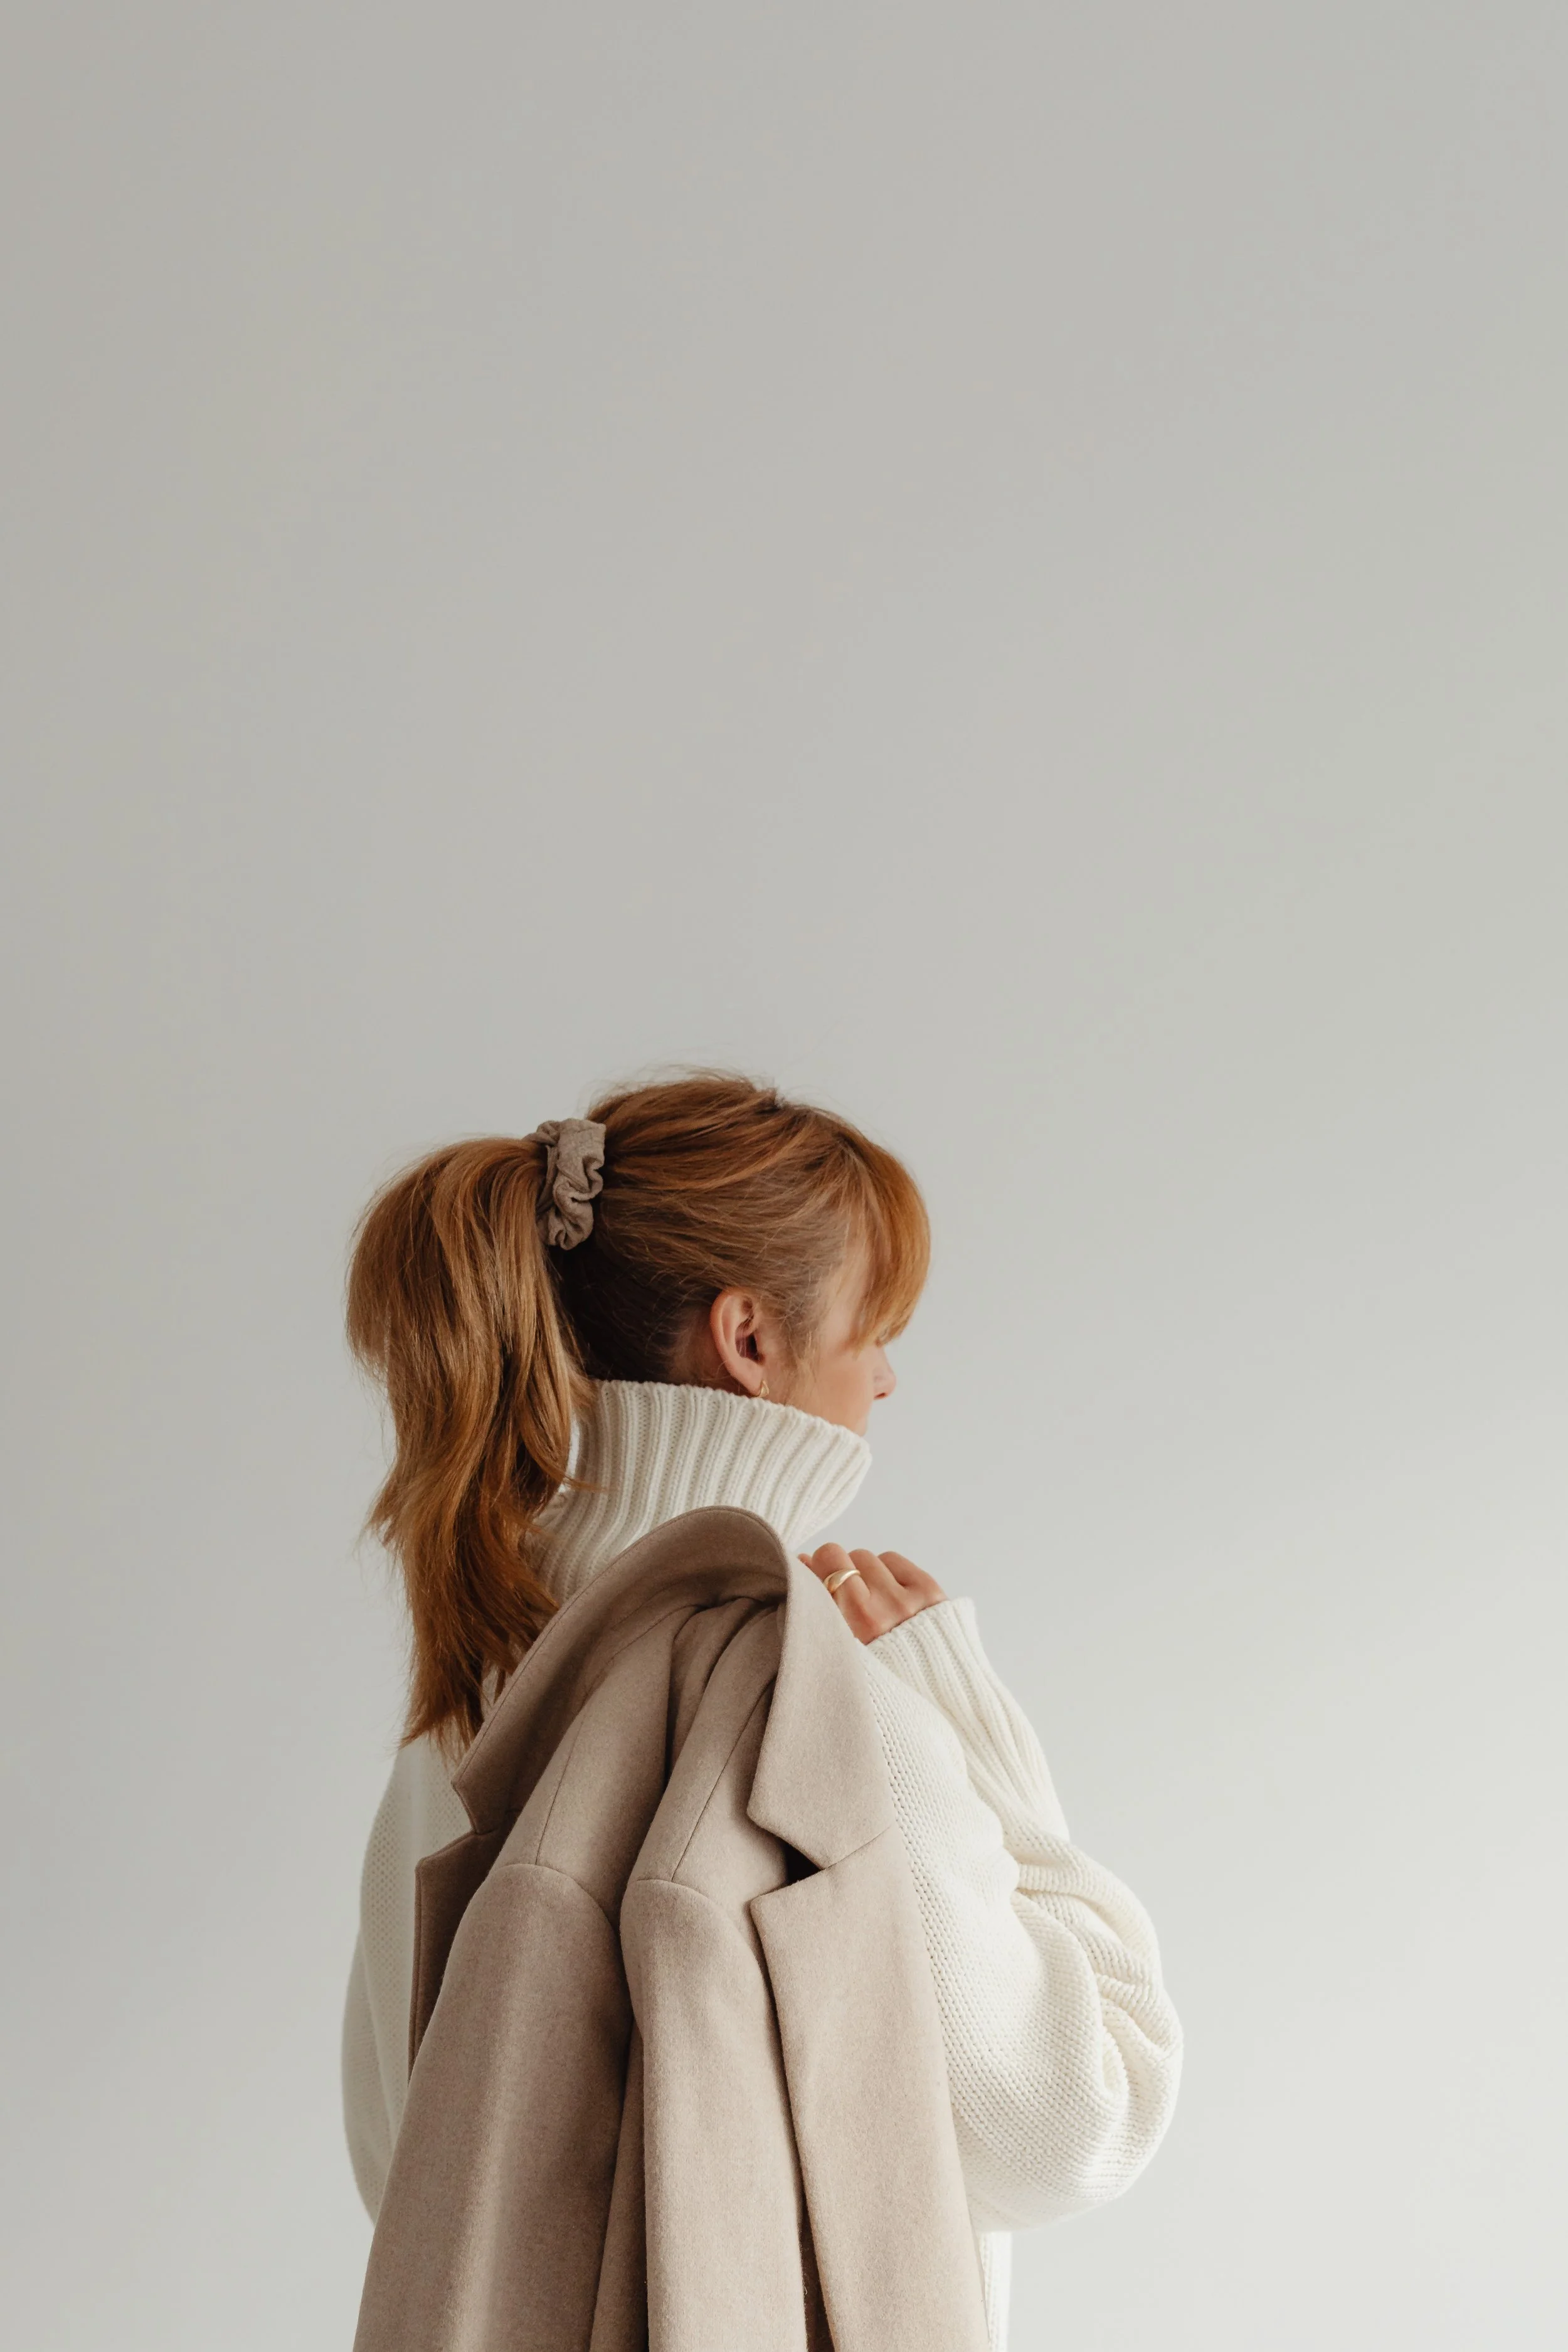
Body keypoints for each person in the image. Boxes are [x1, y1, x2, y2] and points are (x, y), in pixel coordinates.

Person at [341, 1073, 1181, 2352]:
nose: (888, 1377)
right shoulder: (816, 1699)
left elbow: (407, 2159)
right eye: (871, 1325)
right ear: (749, 1341)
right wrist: (979, 1738)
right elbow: (1072, 2125)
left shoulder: (468, 1686)